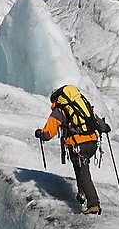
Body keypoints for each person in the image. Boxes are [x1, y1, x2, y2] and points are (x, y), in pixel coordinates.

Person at [35, 84, 110, 215]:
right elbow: (100, 124)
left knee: (84, 172)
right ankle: (82, 193)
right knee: (80, 168)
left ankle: (94, 205)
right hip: (92, 143)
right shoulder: (82, 107)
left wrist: (39, 133)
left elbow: (48, 134)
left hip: (78, 145)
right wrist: (105, 127)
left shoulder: (60, 111)